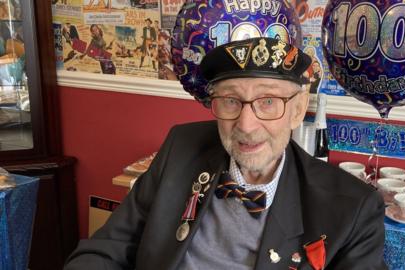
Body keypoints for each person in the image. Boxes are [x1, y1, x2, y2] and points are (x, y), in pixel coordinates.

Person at [64, 37, 386, 269]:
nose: (246, 125)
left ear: (298, 110)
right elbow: (107, 247)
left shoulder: (352, 207)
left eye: (268, 101)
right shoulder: (182, 146)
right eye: (231, 100)